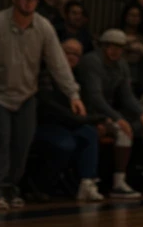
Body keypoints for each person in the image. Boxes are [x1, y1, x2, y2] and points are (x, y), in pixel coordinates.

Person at [0, 0, 85, 210]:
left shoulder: (43, 26)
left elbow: (58, 63)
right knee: (0, 141)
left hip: (26, 95)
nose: (28, 3)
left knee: (22, 144)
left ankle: (13, 187)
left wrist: (73, 94)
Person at [77, 28, 143, 197]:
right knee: (123, 130)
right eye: (111, 46)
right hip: (89, 114)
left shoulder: (121, 64)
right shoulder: (91, 62)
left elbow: (127, 95)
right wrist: (119, 118)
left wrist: (141, 114)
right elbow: (94, 98)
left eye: (120, 47)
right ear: (102, 46)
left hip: (110, 113)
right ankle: (118, 183)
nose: (115, 51)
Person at [34, 37, 103, 201]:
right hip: (45, 124)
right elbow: (49, 107)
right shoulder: (46, 74)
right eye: (68, 52)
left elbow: (88, 104)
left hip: (70, 125)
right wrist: (84, 119)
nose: (72, 57)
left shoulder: (79, 77)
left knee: (90, 134)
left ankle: (87, 183)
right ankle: (43, 185)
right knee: (66, 144)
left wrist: (94, 120)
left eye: (77, 54)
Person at [119, 3, 143, 95]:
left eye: (137, 16)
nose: (134, 18)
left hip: (139, 78)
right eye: (132, 15)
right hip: (119, 75)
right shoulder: (118, 35)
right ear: (125, 16)